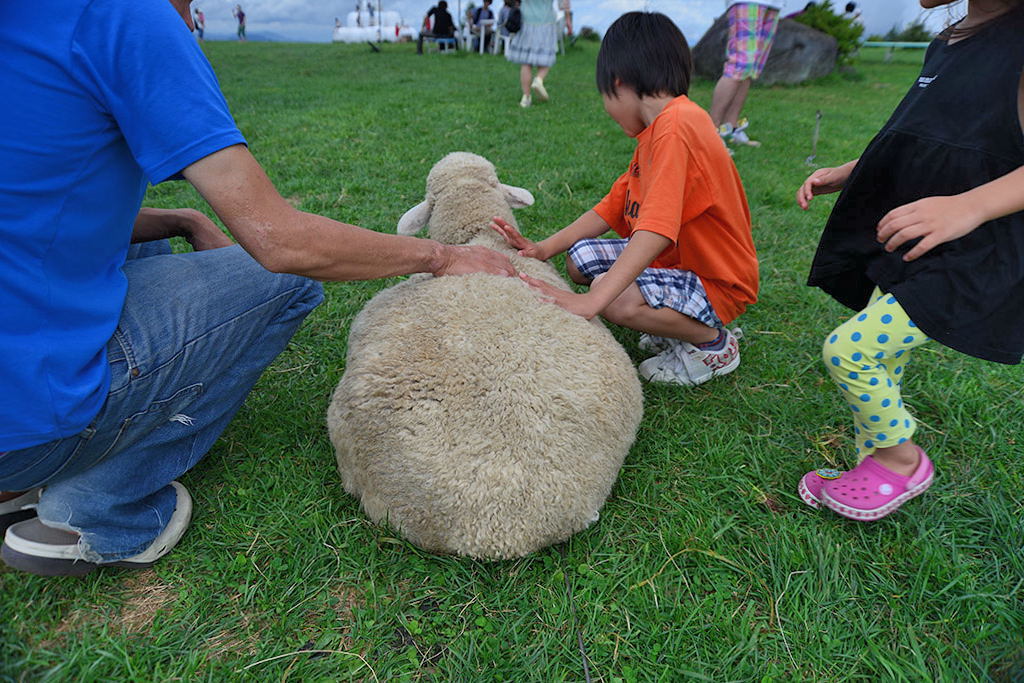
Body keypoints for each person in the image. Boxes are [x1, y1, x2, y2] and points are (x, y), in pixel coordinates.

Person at [0, 0, 514, 577]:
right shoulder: (121, 14)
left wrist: (181, 219)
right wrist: (442, 255)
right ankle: (100, 508)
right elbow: (281, 242)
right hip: (20, 426)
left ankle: (30, 470)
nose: (192, 20)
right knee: (286, 281)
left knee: (134, 241)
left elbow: (37, 208)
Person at [795, 0, 1024, 521]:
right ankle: (871, 468)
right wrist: (852, 171)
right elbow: (925, 137)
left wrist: (968, 207)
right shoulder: (948, 41)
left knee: (850, 350)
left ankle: (900, 461)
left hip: (978, 250)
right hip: (920, 234)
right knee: (885, 359)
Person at [492, 12, 759, 386]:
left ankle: (713, 345)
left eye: (604, 96)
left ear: (617, 83)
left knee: (613, 297)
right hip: (677, 264)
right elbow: (612, 206)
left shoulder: (678, 128)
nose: (606, 109)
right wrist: (543, 249)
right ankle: (672, 321)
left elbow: (655, 231)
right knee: (581, 259)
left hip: (716, 280)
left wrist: (591, 302)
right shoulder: (656, 132)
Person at [709, 0, 784, 149]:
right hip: (748, 2)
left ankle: (731, 128)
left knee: (751, 68)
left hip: (775, 3)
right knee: (739, 64)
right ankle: (710, 133)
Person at [506, 0, 558, 107]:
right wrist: (568, 20)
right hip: (546, 21)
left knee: (526, 63)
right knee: (546, 57)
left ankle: (526, 98)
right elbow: (564, 4)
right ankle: (538, 80)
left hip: (526, 21)